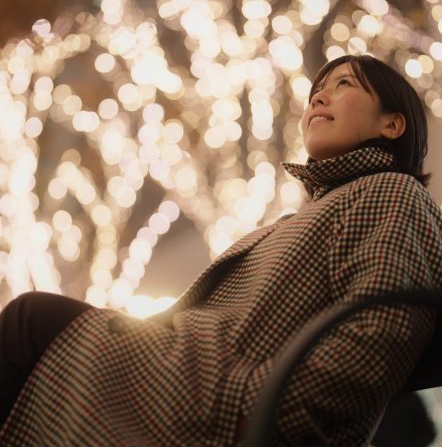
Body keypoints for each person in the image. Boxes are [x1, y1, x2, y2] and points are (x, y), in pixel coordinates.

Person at [1, 54, 441, 445]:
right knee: (33, 341)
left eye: (344, 84)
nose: (319, 98)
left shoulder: (391, 192)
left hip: (221, 393)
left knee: (31, 323)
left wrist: (259, 404)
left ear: (392, 124)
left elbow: (384, 328)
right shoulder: (314, 211)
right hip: (192, 375)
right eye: (316, 91)